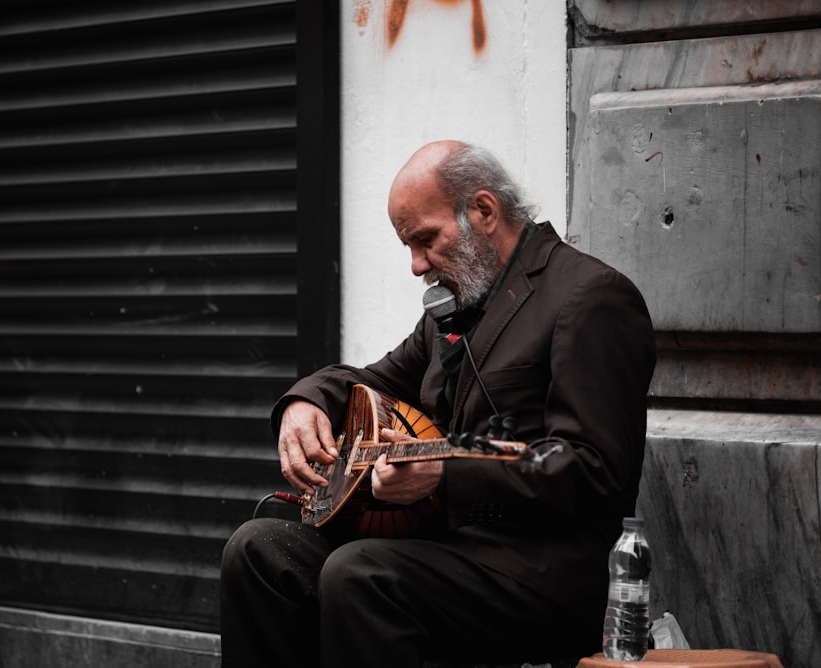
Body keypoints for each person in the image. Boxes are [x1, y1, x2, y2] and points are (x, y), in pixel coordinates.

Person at [219, 140, 656, 668]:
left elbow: (595, 469)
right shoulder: (453, 310)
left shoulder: (591, 296)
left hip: (545, 575)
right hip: (447, 550)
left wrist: (445, 473)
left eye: (425, 240)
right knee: (259, 550)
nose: (415, 265)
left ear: (484, 211)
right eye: (408, 246)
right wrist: (306, 401)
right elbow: (372, 378)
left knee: (361, 573)